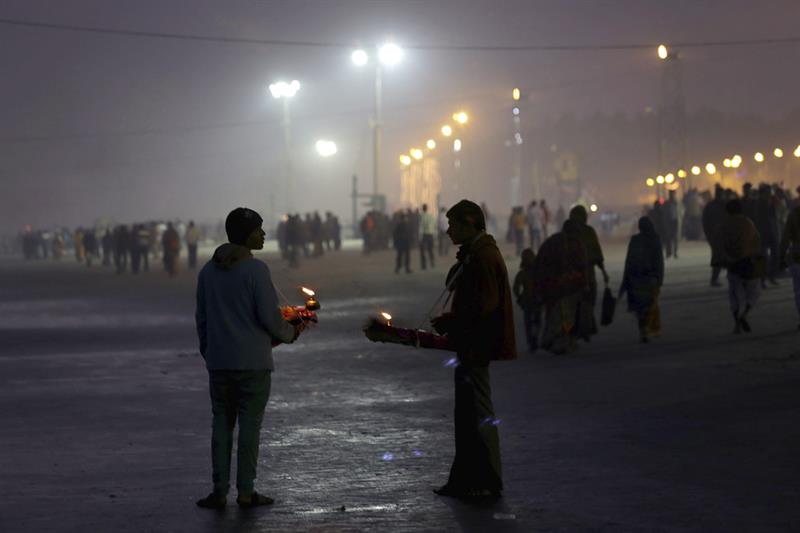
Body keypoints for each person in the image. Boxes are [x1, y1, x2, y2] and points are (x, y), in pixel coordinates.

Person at [195, 207, 304, 510]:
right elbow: (269, 316)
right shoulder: (256, 271)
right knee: (250, 427)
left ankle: (218, 491)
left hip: (219, 363)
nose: (264, 234)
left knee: (221, 425)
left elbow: (201, 318)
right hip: (253, 363)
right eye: (259, 229)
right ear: (247, 235)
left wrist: (209, 351)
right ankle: (246, 491)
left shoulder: (207, 271)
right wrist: (289, 332)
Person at [431, 199, 516, 500]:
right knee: (466, 414)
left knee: (478, 413)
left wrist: (451, 321)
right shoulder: (475, 254)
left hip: (477, 345)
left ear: (470, 224)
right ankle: (466, 479)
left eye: (453, 225)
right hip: (470, 344)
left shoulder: (482, 257)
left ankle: (487, 480)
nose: (448, 231)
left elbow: (484, 305)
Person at [534, 220, 590, 354]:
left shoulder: (551, 242)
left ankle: (551, 339)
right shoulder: (575, 244)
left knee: (553, 313)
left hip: (550, 286)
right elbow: (582, 266)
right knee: (565, 315)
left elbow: (539, 263)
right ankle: (560, 342)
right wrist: (585, 284)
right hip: (568, 287)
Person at [719, 199, 762, 334]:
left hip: (732, 264)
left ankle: (737, 325)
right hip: (748, 263)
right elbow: (757, 241)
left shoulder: (724, 225)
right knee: (753, 292)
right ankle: (745, 314)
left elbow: (719, 244)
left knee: (734, 296)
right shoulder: (748, 223)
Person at [619, 217, 664, 343]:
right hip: (650, 280)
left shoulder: (635, 240)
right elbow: (659, 261)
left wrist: (626, 281)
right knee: (648, 306)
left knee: (640, 308)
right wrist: (659, 279)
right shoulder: (655, 239)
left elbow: (629, 261)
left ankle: (643, 330)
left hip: (636, 280)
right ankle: (646, 330)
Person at [569, 205, 609, 341]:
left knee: (578, 302)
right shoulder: (588, 232)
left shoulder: (568, 233)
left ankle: (581, 328)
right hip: (587, 274)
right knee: (588, 301)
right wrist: (603, 271)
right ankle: (584, 328)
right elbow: (596, 252)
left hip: (572, 275)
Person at [513, 248, 541, 352]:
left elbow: (516, 288)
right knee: (536, 321)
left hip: (529, 301)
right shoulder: (538, 272)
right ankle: (533, 339)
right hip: (535, 300)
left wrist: (519, 297)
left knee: (529, 322)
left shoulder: (522, 273)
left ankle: (532, 340)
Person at [780, 205, 800, 329]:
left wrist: (781, 257)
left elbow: (786, 238)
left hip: (797, 256)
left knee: (798, 291)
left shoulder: (794, 213)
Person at [702, 185, 726, 287]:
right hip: (716, 236)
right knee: (718, 257)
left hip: (720, 235)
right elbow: (706, 222)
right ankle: (714, 278)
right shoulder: (715, 206)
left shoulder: (718, 205)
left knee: (720, 257)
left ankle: (715, 278)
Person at [663, 190, 680, 258]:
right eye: (671, 194)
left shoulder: (677, 203)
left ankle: (675, 252)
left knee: (676, 238)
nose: (672, 196)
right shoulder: (667, 203)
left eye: (673, 194)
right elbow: (664, 213)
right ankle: (669, 253)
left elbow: (681, 211)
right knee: (669, 238)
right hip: (669, 222)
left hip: (676, 221)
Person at [419, 204, 435, 270]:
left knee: (422, 250)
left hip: (424, 235)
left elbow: (421, 227)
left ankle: (424, 265)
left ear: (422, 209)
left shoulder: (422, 216)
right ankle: (432, 262)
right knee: (430, 250)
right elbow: (434, 225)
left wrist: (420, 237)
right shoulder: (431, 216)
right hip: (431, 235)